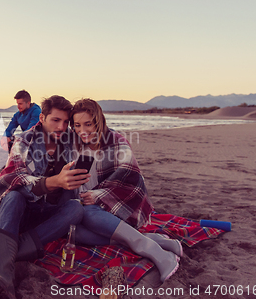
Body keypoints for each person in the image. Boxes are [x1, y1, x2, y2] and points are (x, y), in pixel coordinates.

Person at [0, 95, 89, 299]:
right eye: (56, 120)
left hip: (50, 216)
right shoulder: (25, 139)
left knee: (76, 209)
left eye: (66, 122)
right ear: (42, 117)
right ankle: (3, 277)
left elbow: (97, 135)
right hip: (24, 211)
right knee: (13, 197)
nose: (62, 127)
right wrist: (54, 182)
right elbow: (15, 177)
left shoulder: (71, 141)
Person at [70, 98, 181, 283]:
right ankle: (154, 240)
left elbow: (129, 178)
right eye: (77, 125)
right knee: (75, 232)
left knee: (87, 213)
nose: (82, 131)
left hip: (121, 205)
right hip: (90, 206)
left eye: (88, 124)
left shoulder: (116, 141)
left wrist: (97, 196)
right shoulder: (75, 146)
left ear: (98, 121)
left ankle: (152, 249)